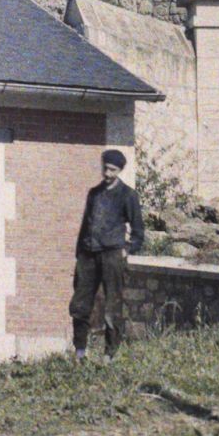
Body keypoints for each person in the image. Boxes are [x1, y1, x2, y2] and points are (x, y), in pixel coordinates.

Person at [69, 147, 144, 360]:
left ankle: (109, 354)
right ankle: (80, 352)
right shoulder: (94, 193)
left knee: (112, 306)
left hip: (112, 255)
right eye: (105, 168)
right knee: (80, 304)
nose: (107, 174)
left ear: (119, 170)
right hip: (88, 255)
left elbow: (138, 231)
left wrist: (126, 250)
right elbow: (86, 224)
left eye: (112, 170)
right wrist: (79, 254)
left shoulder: (128, 195)